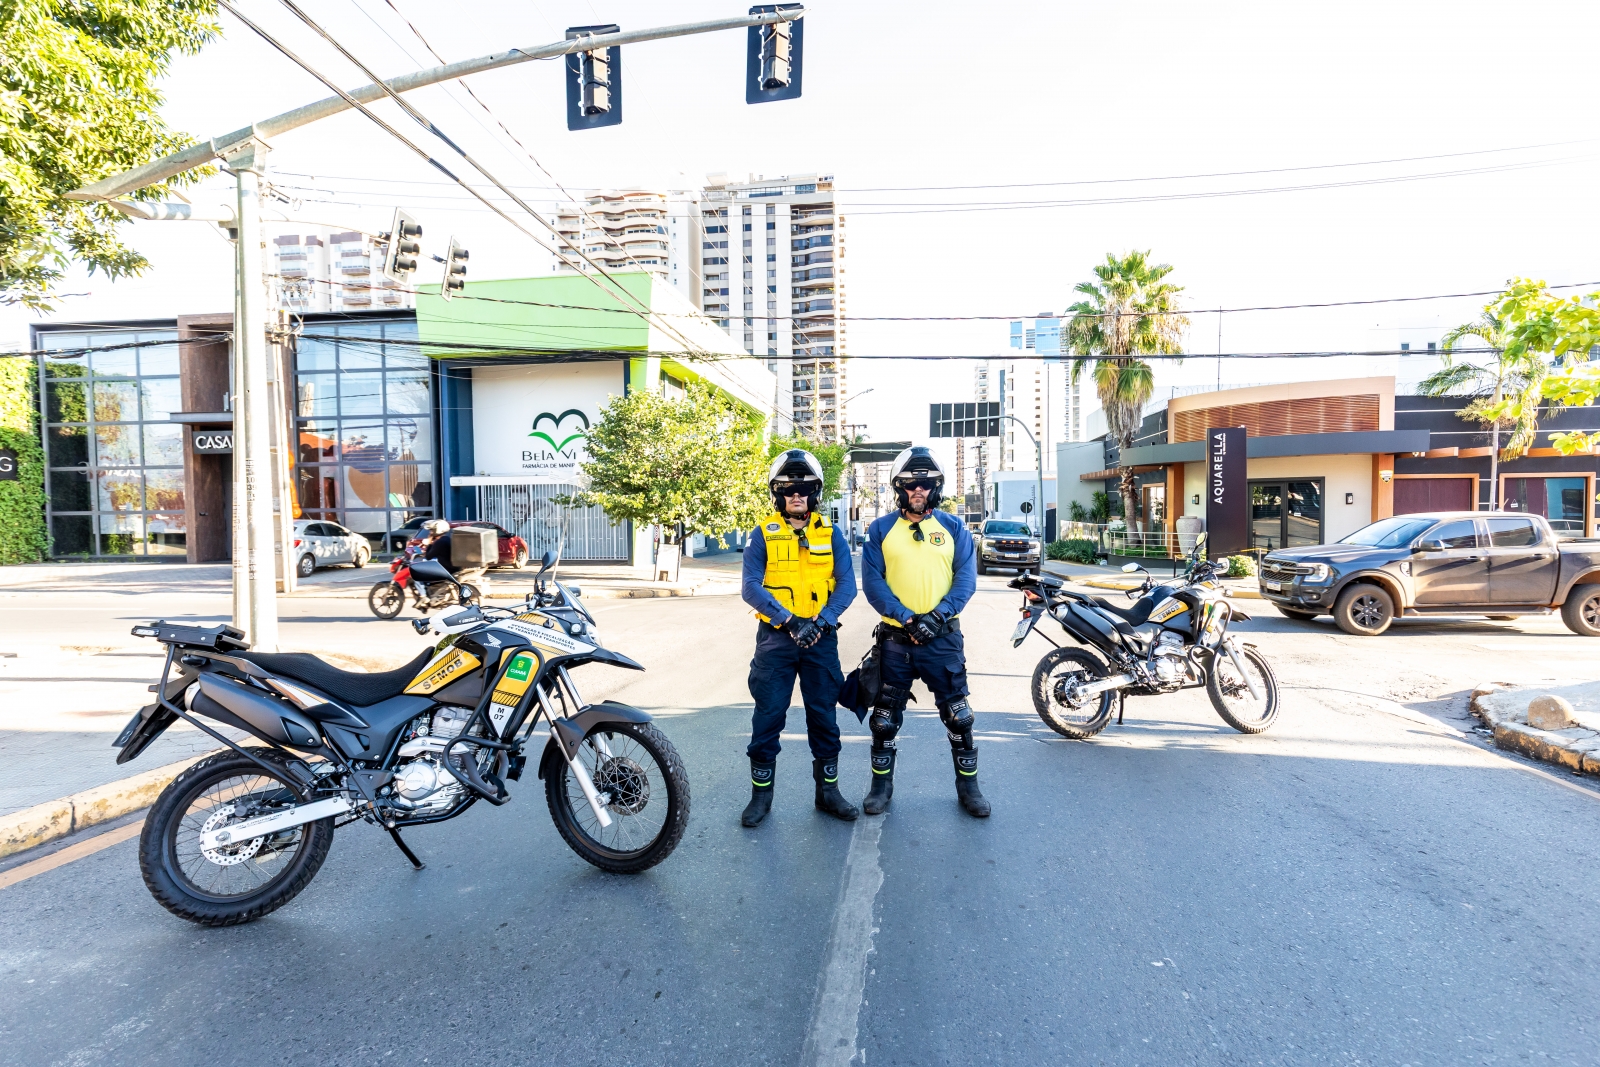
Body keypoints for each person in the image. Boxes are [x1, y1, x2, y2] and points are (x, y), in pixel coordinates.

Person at [859, 446, 989, 818]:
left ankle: (969, 788)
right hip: (897, 639)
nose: (919, 489)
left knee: (959, 716)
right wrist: (907, 617)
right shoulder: (880, 529)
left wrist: (938, 615)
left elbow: (965, 579)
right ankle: (880, 787)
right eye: (911, 483)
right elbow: (873, 583)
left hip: (943, 637)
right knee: (884, 719)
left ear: (937, 488)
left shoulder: (953, 527)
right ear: (899, 488)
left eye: (926, 483)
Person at [739, 449, 860, 827]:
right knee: (768, 717)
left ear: (815, 493)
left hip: (820, 640)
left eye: (804, 488)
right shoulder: (762, 534)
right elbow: (750, 588)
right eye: (788, 488)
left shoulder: (831, 533)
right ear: (777, 494)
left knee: (824, 717)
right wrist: (790, 621)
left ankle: (828, 793)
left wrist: (821, 621)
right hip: (777, 640)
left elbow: (847, 586)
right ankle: (761, 798)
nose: (796, 495)